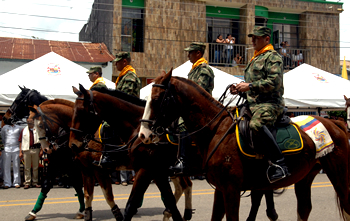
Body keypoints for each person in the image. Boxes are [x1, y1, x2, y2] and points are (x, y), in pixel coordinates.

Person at [230, 26, 289, 183]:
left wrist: (249, 86)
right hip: (253, 103)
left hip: (270, 104)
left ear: (267, 39)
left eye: (256, 37)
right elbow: (253, 84)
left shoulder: (273, 57)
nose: (253, 40)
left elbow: (274, 82)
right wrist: (240, 88)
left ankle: (280, 164)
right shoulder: (255, 58)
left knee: (256, 124)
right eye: (252, 37)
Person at [170, 42, 214, 175]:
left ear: (198, 53)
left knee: (183, 124)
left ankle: (184, 160)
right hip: (191, 108)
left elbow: (198, 92)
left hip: (201, 109)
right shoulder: (194, 70)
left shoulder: (204, 70)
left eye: (190, 52)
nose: (188, 55)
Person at [93, 52, 141, 169]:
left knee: (109, 124)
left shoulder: (130, 76)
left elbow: (125, 97)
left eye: (117, 62)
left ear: (124, 61)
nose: (115, 65)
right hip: (125, 111)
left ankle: (111, 156)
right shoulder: (123, 76)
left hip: (130, 112)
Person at [19, 118, 42, 189]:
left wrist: (41, 150)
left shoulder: (38, 129)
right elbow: (20, 141)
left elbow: (41, 140)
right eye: (28, 121)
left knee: (35, 167)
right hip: (26, 149)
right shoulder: (24, 130)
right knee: (27, 167)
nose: (29, 123)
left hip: (36, 149)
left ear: (33, 121)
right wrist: (20, 151)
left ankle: (35, 182)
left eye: (31, 121)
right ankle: (27, 182)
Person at [1, 122, 23, 188]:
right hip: (7, 148)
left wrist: (20, 150)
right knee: (6, 166)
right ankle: (7, 183)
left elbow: (20, 139)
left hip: (16, 148)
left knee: (16, 166)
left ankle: (16, 182)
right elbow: (3, 137)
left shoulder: (19, 127)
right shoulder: (4, 127)